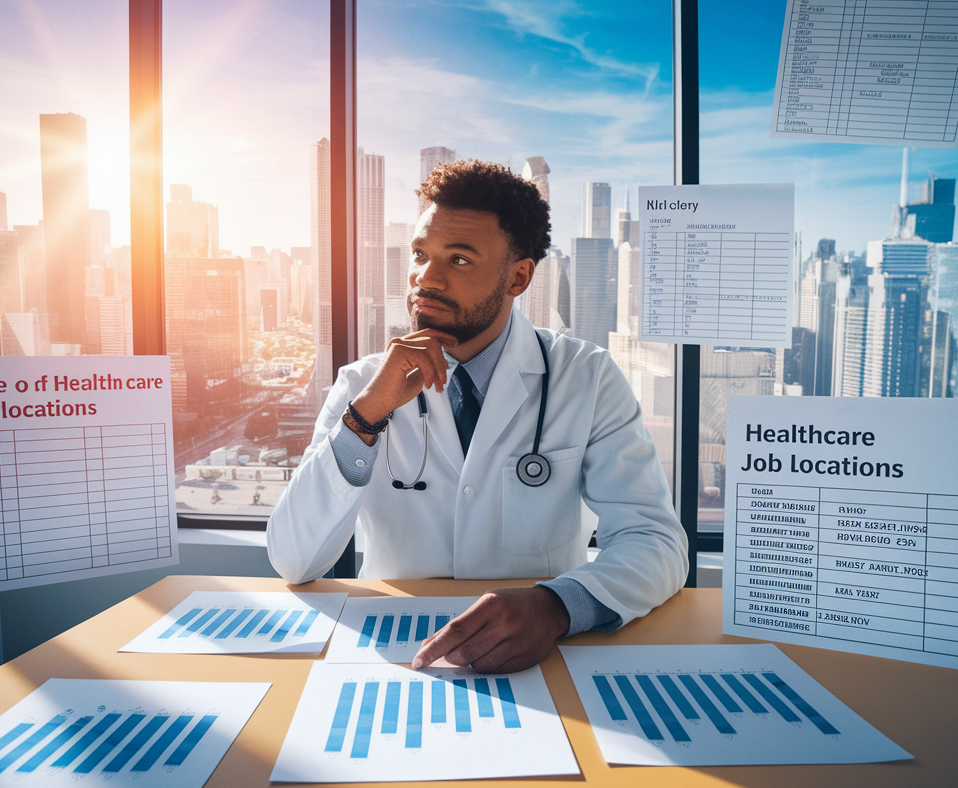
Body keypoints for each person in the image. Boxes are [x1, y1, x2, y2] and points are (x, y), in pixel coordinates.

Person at [267, 159, 687, 673]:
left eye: (459, 260)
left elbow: (656, 541)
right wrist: (366, 418)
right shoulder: (361, 386)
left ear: (519, 277)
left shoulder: (586, 376)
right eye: (420, 254)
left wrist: (558, 606)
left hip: (541, 659)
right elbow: (293, 559)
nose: (426, 277)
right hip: (398, 656)